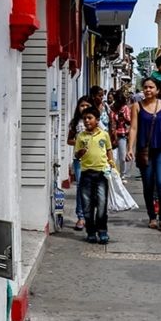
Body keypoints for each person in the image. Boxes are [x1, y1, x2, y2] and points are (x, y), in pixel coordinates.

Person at [126, 77, 161, 233]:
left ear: (157, 90)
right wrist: (130, 148)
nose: (148, 90)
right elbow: (134, 128)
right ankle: (152, 217)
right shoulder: (137, 106)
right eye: (145, 87)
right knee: (148, 185)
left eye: (151, 87)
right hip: (145, 150)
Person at [74, 106, 116, 244]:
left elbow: (109, 150)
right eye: (85, 118)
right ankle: (91, 232)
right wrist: (80, 153)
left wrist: (112, 163)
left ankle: (102, 231)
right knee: (87, 205)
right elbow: (76, 154)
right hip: (86, 173)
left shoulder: (104, 135)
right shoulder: (81, 136)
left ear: (97, 120)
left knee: (102, 204)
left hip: (101, 173)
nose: (86, 121)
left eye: (90, 118)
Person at [67, 95, 93, 230]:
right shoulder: (75, 122)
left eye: (87, 106)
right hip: (79, 160)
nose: (84, 108)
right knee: (81, 188)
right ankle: (81, 217)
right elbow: (69, 140)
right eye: (82, 105)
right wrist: (79, 142)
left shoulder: (96, 122)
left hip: (95, 160)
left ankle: (90, 216)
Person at [109, 89, 132, 180]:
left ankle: (122, 175)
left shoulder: (125, 108)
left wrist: (124, 118)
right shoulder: (111, 108)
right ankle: (113, 174)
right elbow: (110, 121)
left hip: (122, 134)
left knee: (122, 157)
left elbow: (129, 121)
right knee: (113, 158)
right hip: (112, 135)